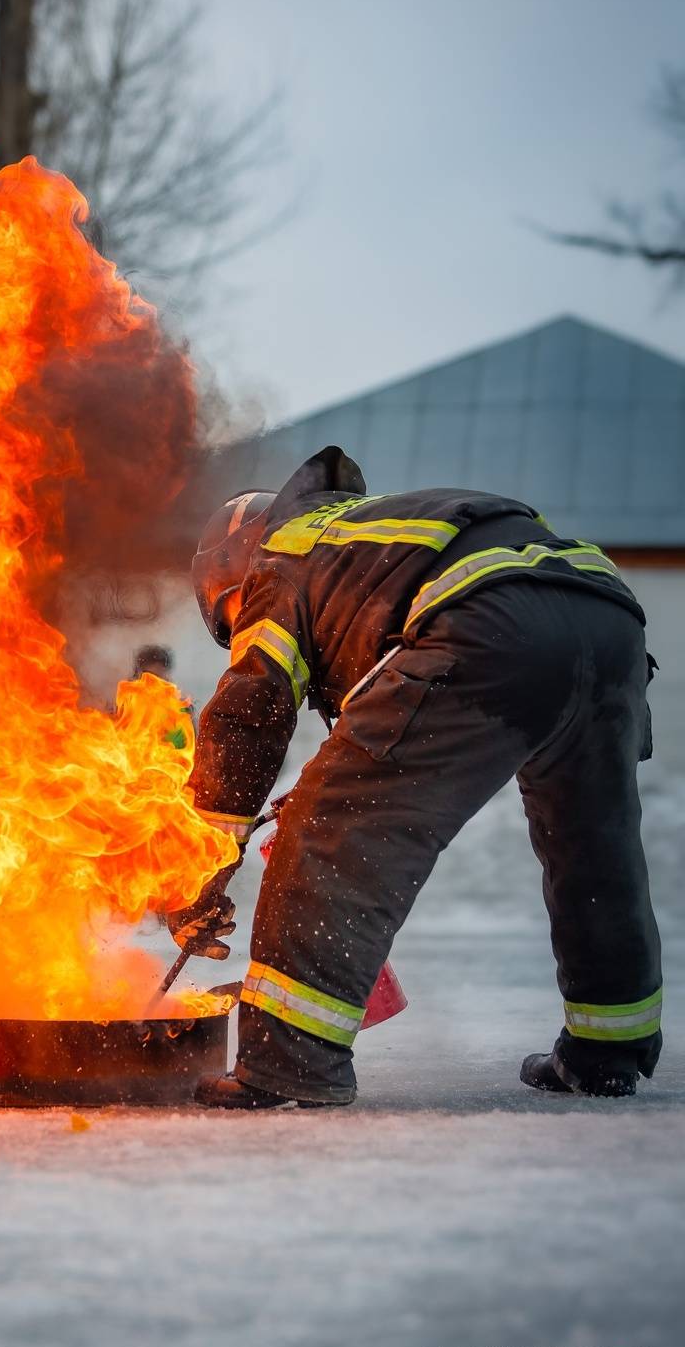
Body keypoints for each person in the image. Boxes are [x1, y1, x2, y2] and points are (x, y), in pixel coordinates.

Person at [167, 446, 662, 1109]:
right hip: (607, 617)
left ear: (233, 573)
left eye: (230, 621)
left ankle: (289, 1064)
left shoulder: (281, 556)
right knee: (593, 847)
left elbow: (250, 713)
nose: (241, 631)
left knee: (331, 833)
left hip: (486, 619)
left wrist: (197, 861)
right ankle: (608, 1052)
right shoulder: (366, 536)